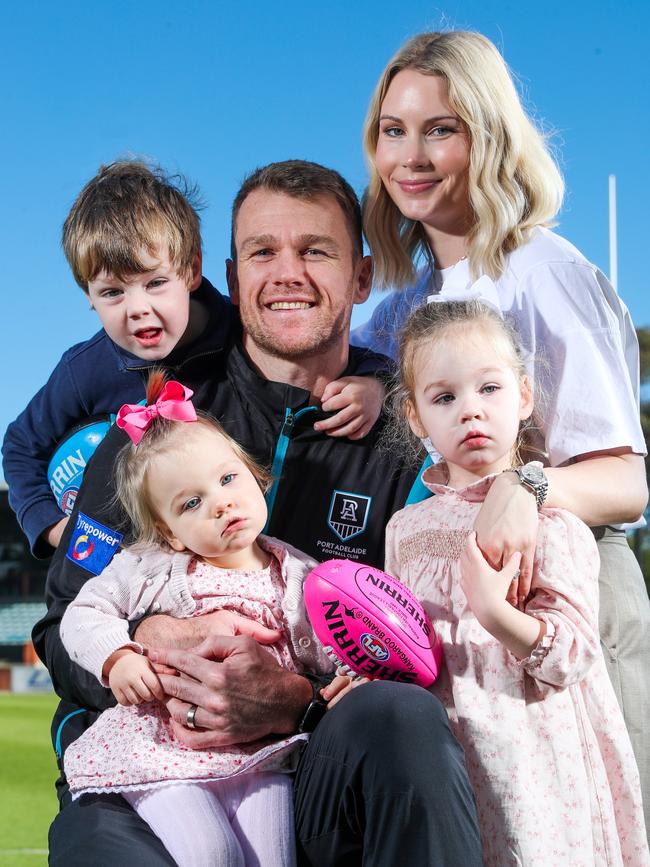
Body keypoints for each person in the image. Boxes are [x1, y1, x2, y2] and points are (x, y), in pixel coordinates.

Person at [34, 160, 483, 866]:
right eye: (263, 252)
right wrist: (148, 645)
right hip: (152, 776)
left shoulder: (408, 427)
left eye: (316, 250)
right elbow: (61, 623)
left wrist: (294, 699)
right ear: (232, 277)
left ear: (362, 278)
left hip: (308, 766)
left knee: (401, 717)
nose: (287, 273)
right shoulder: (154, 425)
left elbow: (428, 647)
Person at [352, 30, 650, 825]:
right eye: (393, 129)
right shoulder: (402, 310)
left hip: (564, 595)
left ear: (487, 136)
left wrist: (526, 485)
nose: (409, 155)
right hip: (460, 626)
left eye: (439, 128)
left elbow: (625, 483)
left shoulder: (546, 272)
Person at [2, 160, 382, 559]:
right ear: (88, 295)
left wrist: (374, 382)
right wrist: (49, 525)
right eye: (113, 293)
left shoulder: (242, 326)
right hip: (137, 541)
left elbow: (310, 346)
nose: (138, 309)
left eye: (156, 283)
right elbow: (21, 445)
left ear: (192, 270)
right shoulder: (86, 369)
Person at [384, 298, 649, 864]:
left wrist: (495, 613)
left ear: (524, 395)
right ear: (415, 416)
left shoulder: (553, 521)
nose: (470, 412)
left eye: (490, 389)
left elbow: (572, 656)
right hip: (446, 755)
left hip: (534, 757)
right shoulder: (404, 529)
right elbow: (399, 639)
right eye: (445, 397)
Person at [60, 372, 347, 866]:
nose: (221, 503)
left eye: (228, 479)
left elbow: (331, 648)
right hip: (165, 750)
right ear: (168, 533)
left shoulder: (301, 575)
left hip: (261, 752)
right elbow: (81, 612)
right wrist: (118, 657)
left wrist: (348, 675)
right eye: (191, 503)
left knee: (275, 858)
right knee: (212, 853)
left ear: (254, 476)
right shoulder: (151, 566)